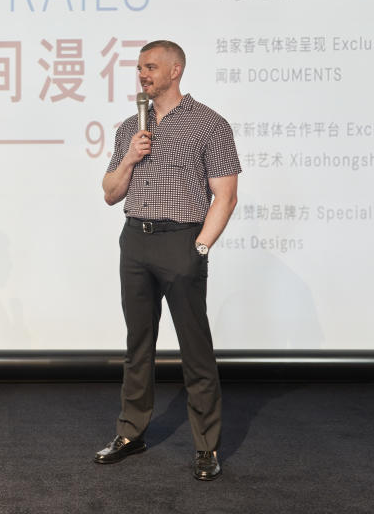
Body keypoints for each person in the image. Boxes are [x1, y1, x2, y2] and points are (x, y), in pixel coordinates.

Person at [94, 40, 241, 481]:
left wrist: (200, 247)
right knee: (138, 345)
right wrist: (130, 158)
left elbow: (226, 196)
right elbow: (109, 192)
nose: (143, 74)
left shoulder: (209, 125)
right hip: (135, 239)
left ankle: (206, 446)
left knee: (195, 350)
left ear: (175, 70)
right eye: (140, 67)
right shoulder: (129, 128)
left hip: (182, 242)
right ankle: (131, 432)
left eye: (151, 67)